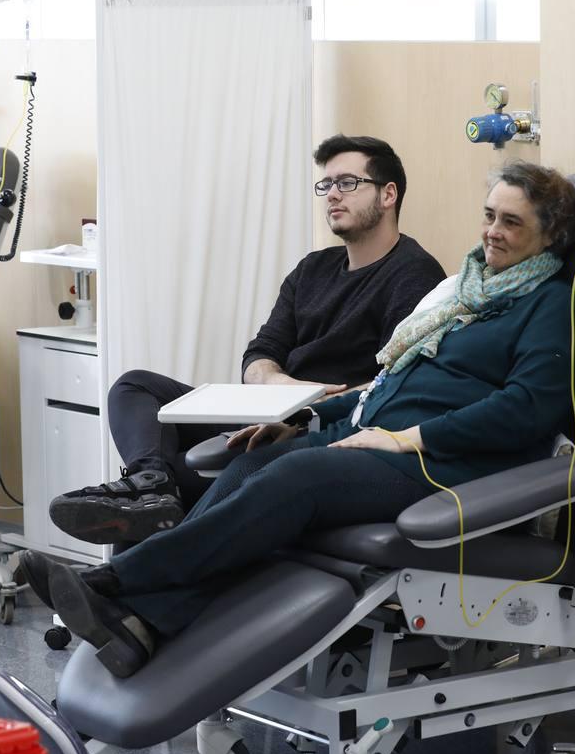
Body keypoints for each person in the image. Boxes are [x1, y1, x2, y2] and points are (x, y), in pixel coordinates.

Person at [20, 162, 575, 679]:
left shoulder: (553, 306)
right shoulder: (467, 296)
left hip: (442, 466)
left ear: (550, 236)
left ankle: (115, 584)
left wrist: (405, 439)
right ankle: (142, 625)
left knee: (296, 482)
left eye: (512, 223)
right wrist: (305, 420)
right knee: (257, 461)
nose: (492, 232)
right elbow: (382, 385)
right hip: (374, 439)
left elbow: (526, 411)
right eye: (489, 216)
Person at [49, 135, 446, 545]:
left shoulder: (413, 275)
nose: (332, 196)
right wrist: (285, 389)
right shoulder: (313, 268)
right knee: (135, 386)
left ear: (388, 194)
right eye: (325, 185)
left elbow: (395, 381)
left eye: (347, 183)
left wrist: (304, 411)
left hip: (318, 428)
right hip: (271, 410)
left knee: (142, 509)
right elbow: (259, 355)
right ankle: (151, 483)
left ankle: (150, 509)